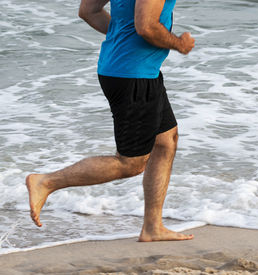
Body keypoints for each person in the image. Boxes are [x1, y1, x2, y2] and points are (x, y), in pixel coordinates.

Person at [25, 0, 195, 242]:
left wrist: (121, 34)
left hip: (128, 69)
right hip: (133, 75)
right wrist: (179, 43)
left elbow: (88, 11)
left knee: (166, 140)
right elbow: (146, 26)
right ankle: (45, 182)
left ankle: (152, 227)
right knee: (131, 163)